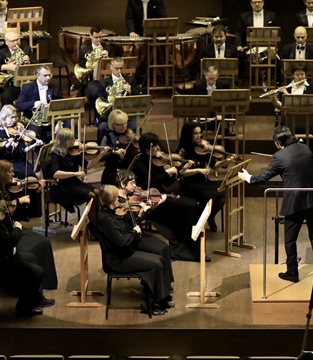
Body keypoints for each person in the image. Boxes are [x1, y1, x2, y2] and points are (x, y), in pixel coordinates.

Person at [238, 126, 313, 283]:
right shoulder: (305, 148)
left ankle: (292, 272)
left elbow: (264, 177)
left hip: (295, 202)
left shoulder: (279, 156)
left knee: (290, 239)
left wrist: (248, 178)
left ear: (278, 143)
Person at [95, 184, 173, 316]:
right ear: (111, 199)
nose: (120, 198)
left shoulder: (110, 212)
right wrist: (134, 231)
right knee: (155, 265)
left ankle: (161, 298)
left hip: (125, 253)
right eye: (117, 197)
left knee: (160, 259)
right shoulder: (106, 219)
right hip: (117, 260)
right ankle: (148, 304)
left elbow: (123, 230)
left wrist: (137, 220)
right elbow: (122, 241)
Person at [131, 132, 206, 262]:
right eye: (155, 146)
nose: (158, 148)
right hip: (151, 201)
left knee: (191, 204)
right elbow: (151, 183)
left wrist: (181, 171)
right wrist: (166, 173)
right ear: (147, 149)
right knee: (190, 205)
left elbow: (166, 183)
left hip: (162, 196)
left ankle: (189, 248)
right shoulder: (140, 164)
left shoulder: (156, 161)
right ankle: (184, 248)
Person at [0, 159, 57, 290]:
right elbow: (4, 215)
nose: (13, 174)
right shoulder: (2, 193)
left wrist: (35, 192)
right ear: (2, 173)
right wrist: (18, 202)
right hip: (8, 233)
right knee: (33, 249)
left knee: (44, 242)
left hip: (15, 227)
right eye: (10, 172)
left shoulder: (7, 189)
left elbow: (23, 213)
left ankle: (45, 283)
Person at [176, 121, 236, 231]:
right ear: (188, 134)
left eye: (200, 133)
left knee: (222, 197)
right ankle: (198, 223)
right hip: (189, 184)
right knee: (208, 197)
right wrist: (198, 170)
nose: (199, 136)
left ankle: (210, 217)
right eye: (195, 134)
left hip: (203, 182)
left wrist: (225, 161)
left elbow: (214, 166)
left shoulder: (203, 148)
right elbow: (181, 172)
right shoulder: (182, 151)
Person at [0, 197, 54, 315]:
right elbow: (11, 240)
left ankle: (37, 299)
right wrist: (18, 228)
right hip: (3, 262)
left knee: (31, 258)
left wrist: (11, 212)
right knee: (37, 272)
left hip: (7, 255)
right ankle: (24, 306)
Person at [268, 63, 313, 165]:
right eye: (297, 74)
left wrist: (286, 94)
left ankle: (310, 157)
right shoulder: (288, 86)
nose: (300, 77)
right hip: (290, 119)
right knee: (284, 127)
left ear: (305, 75)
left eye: (302, 74)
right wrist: (273, 100)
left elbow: (304, 104)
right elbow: (281, 107)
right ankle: (287, 158)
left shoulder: (312, 87)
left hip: (306, 119)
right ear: (293, 75)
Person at [49, 128, 107, 220]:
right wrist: (76, 173)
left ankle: (97, 221)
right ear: (65, 141)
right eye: (72, 139)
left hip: (75, 183)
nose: (75, 141)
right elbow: (55, 173)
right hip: (63, 187)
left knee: (98, 193)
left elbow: (88, 165)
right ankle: (93, 224)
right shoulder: (55, 154)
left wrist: (100, 155)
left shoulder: (74, 152)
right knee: (92, 196)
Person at [0, 106, 44, 218]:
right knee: (25, 175)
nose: (15, 120)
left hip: (19, 161)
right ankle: (19, 209)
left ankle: (32, 210)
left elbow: (23, 150)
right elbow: (2, 153)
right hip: (6, 163)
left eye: (16, 117)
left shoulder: (18, 130)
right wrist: (8, 145)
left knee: (32, 175)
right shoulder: (1, 133)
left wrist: (34, 145)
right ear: (4, 118)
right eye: (12, 117)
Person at [77, 26, 114, 126]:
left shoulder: (108, 48)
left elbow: (114, 65)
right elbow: (80, 68)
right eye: (96, 37)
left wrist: (108, 58)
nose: (98, 40)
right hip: (91, 80)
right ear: (90, 36)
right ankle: (98, 116)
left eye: (100, 37)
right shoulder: (84, 51)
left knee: (111, 90)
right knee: (95, 92)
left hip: (105, 79)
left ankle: (111, 117)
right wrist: (89, 67)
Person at [96, 57, 139, 144]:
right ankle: (102, 149)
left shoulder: (130, 80)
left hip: (127, 115)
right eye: (117, 68)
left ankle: (132, 148)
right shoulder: (103, 83)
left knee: (134, 126)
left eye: (121, 68)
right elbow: (101, 100)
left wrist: (130, 91)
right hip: (110, 116)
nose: (119, 71)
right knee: (102, 127)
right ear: (111, 67)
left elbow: (137, 97)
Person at [15, 65, 62, 142]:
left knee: (71, 125)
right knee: (36, 133)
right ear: (38, 75)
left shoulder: (55, 88)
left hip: (51, 121)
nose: (48, 78)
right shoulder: (27, 88)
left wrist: (59, 122)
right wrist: (33, 104)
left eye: (49, 75)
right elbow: (19, 105)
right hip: (34, 123)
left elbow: (60, 106)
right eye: (45, 75)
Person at [99, 109, 138, 185]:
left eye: (125, 123)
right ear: (113, 125)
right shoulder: (108, 137)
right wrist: (113, 152)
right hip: (113, 170)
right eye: (119, 124)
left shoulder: (130, 134)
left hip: (130, 169)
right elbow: (101, 157)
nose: (123, 126)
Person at [1, 31, 32, 106]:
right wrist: (7, 66)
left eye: (17, 40)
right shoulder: (1, 52)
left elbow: (37, 65)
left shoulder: (26, 49)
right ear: (6, 42)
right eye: (13, 41)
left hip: (25, 82)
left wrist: (29, 62)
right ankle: (7, 112)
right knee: (6, 96)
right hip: (9, 84)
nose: (16, 43)